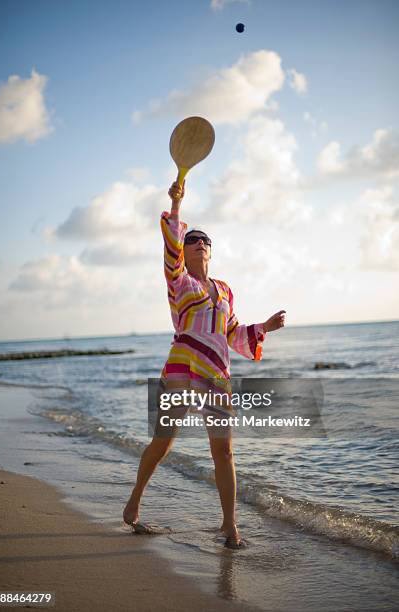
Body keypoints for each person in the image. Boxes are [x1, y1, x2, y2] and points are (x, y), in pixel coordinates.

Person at [123, 180, 286, 548]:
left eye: (204, 240)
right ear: (185, 248)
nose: (199, 242)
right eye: (192, 239)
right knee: (163, 443)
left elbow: (231, 331)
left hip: (216, 374)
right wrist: (176, 204)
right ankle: (134, 501)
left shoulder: (225, 290)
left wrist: (266, 327)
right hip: (180, 371)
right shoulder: (177, 281)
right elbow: (170, 247)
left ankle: (230, 526)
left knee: (224, 451)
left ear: (211, 252)